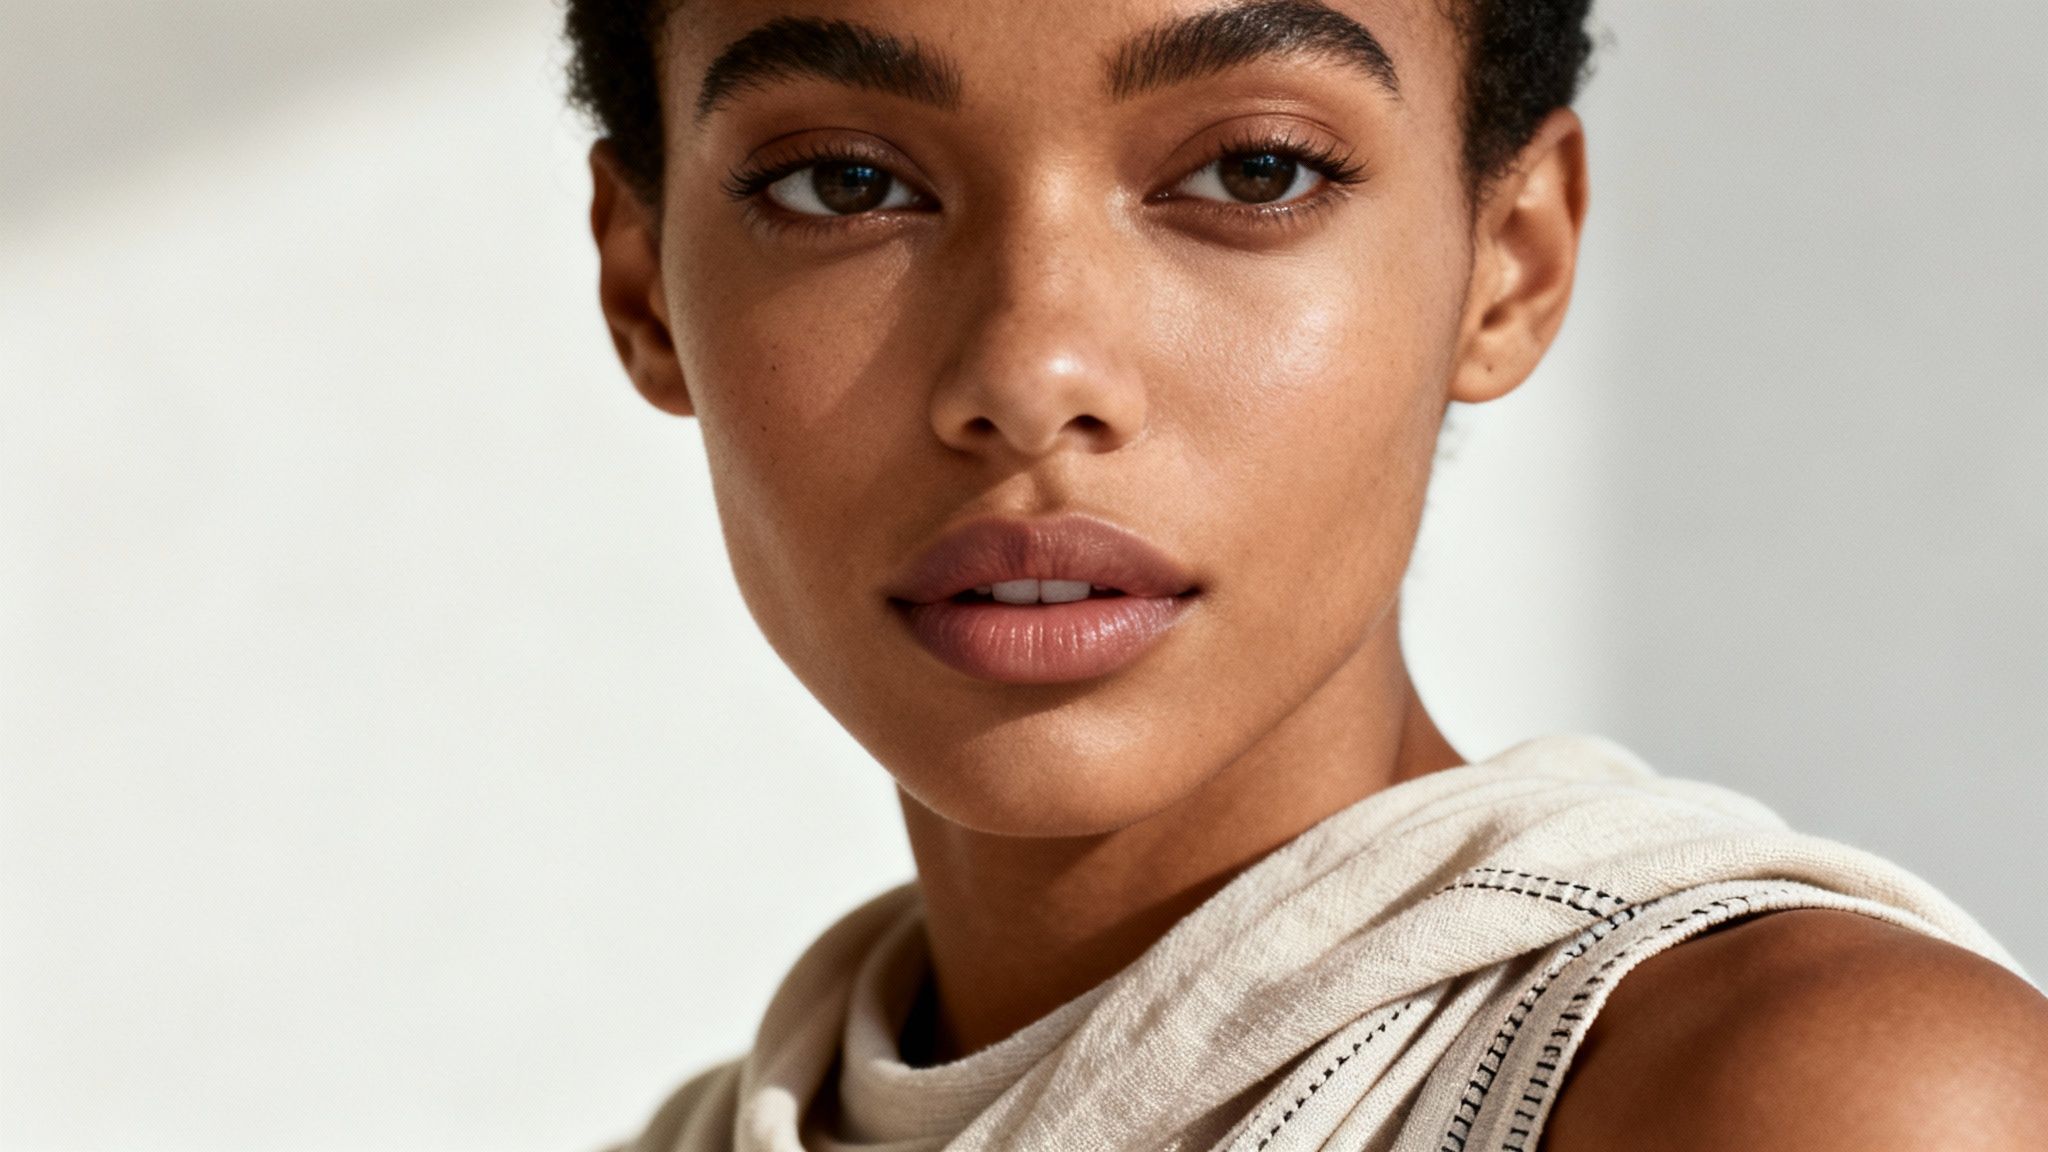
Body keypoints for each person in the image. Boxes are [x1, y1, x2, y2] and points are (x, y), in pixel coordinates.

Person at [567, 0, 2048, 1147]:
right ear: (645, 288)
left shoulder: (1795, 1097)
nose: (1032, 375)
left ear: (1510, 262)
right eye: (843, 184)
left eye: (1251, 169)